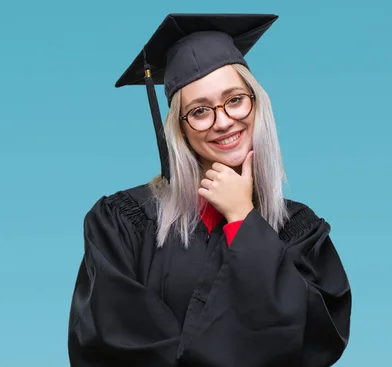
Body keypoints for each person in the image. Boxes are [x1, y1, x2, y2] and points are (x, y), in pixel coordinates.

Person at [67, 13, 352, 367]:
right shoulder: (123, 222)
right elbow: (110, 337)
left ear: (257, 103)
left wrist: (242, 219)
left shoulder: (299, 231)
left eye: (234, 100)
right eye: (200, 111)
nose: (223, 121)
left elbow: (313, 337)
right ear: (180, 129)